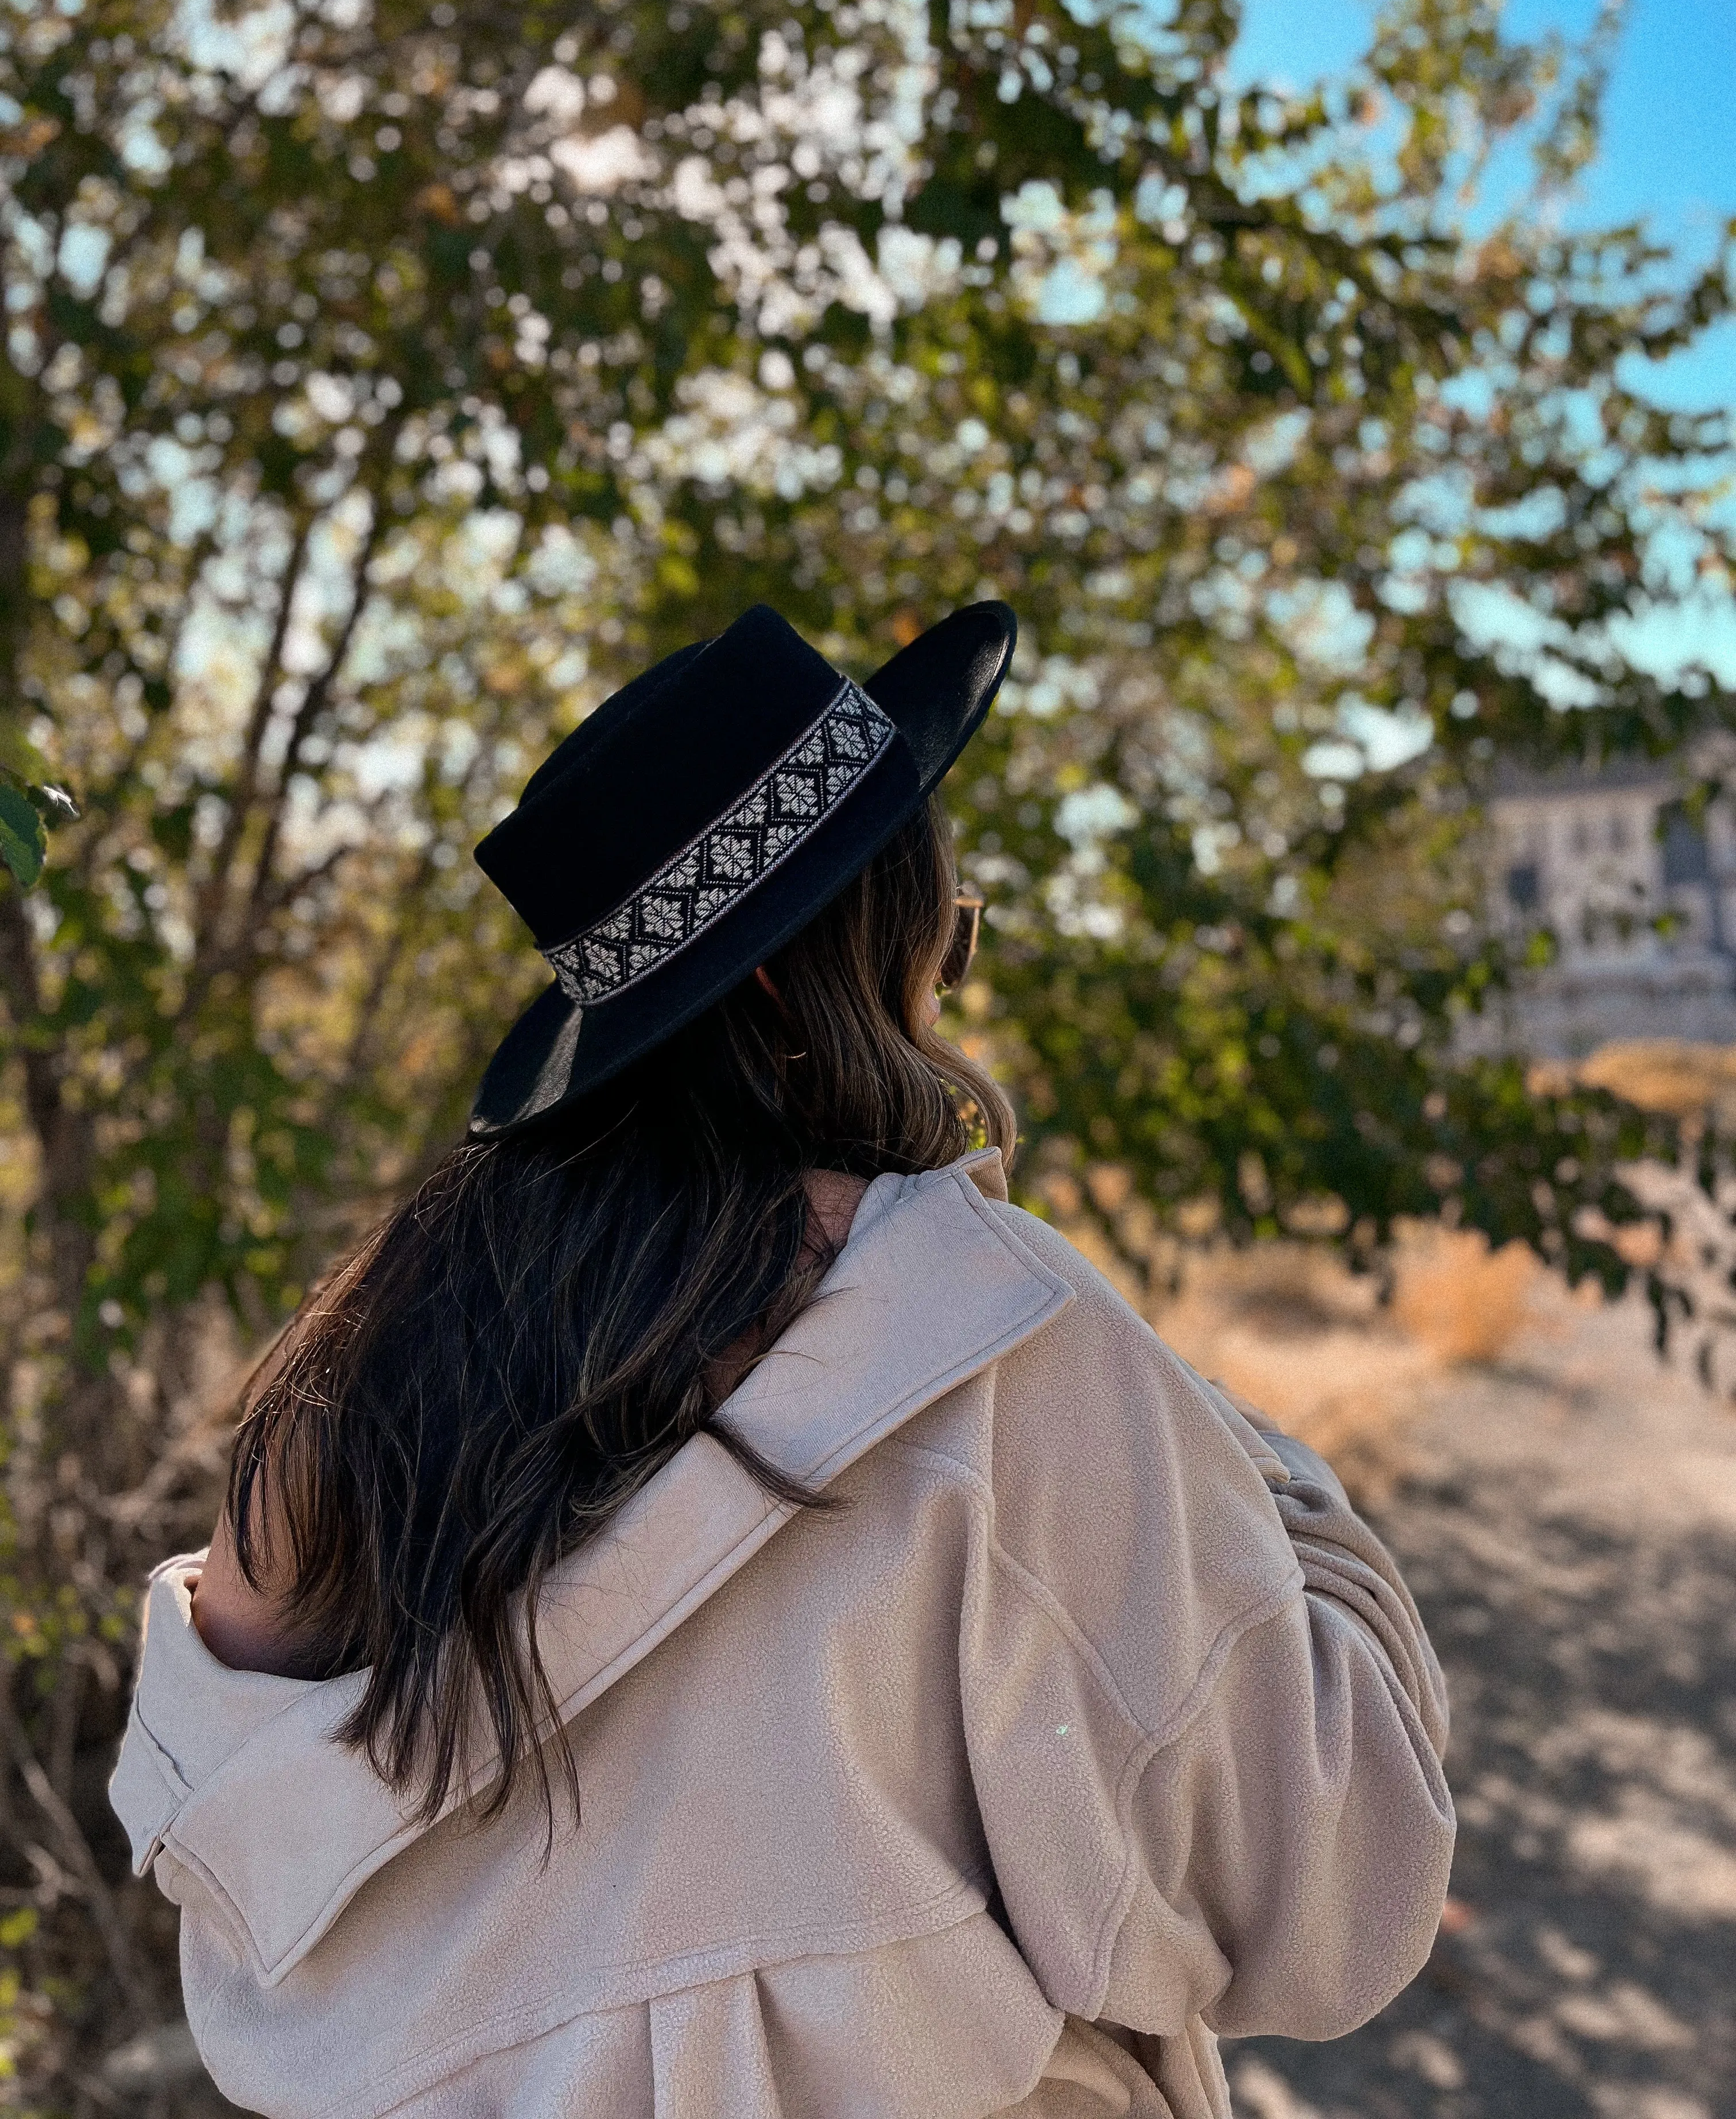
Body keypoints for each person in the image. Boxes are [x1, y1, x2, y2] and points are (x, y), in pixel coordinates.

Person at [110, 602, 1454, 2119]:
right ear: (798, 974)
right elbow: (1324, 1896)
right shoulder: (997, 1343)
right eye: (942, 932)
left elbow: (228, 1855)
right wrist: (1276, 1497)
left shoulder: (361, 1374)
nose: (947, 974)